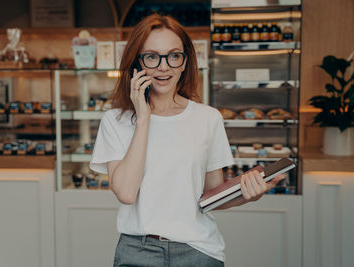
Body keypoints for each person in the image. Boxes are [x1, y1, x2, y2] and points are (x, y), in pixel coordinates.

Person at [90, 13, 285, 267]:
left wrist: (249, 193)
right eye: (152, 56)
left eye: (173, 56)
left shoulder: (207, 118)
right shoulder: (115, 121)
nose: (164, 67)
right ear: (137, 63)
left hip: (198, 252)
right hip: (137, 252)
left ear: (184, 62)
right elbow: (126, 193)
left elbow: (210, 196)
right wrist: (145, 119)